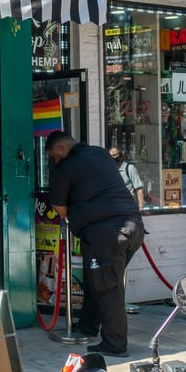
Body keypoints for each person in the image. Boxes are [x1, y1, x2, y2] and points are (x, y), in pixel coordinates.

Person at [46, 131, 145, 357]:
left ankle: (115, 344)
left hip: (107, 233)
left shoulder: (66, 166)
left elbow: (59, 208)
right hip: (134, 228)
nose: (55, 161)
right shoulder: (100, 154)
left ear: (61, 149)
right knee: (97, 279)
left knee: (108, 288)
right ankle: (88, 325)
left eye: (54, 156)